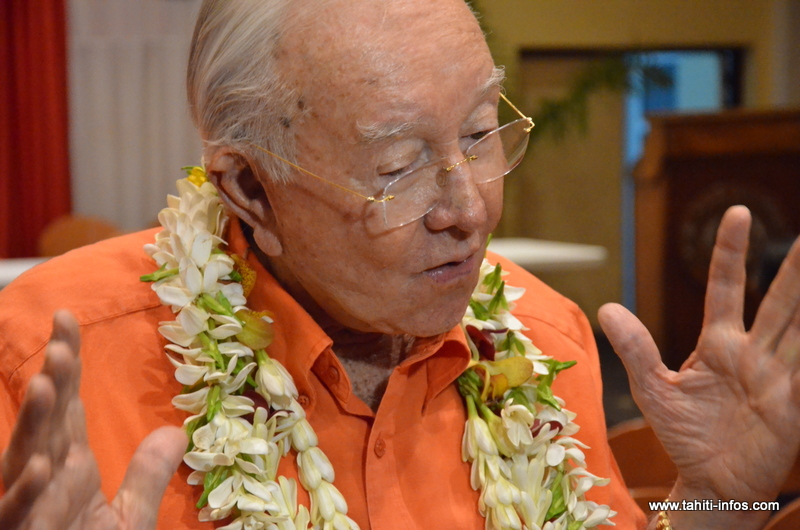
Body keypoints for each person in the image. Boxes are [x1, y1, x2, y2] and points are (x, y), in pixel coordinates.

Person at [1, 0, 799, 528]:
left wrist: (719, 501)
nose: (470, 208)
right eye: (398, 167)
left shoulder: (542, 336)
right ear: (249, 187)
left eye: (480, 133)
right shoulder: (40, 364)